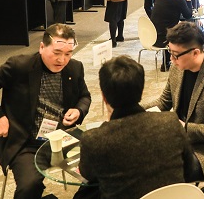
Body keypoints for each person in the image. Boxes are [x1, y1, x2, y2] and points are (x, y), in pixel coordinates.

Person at [0, 24, 91, 199]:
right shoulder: (19, 66)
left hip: (61, 137)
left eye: (68, 54)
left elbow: (85, 96)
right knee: (30, 185)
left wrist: (78, 110)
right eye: (57, 53)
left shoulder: (75, 67)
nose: (62, 60)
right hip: (25, 142)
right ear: (42, 47)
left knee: (101, 167)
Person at [75, 56, 195, 199]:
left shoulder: (94, 139)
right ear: (141, 91)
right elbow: (188, 168)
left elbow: (87, 174)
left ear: (103, 96)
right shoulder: (171, 122)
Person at [142, 22, 204, 186]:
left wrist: (185, 128)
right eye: (170, 53)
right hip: (183, 139)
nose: (171, 60)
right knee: (142, 155)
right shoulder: (178, 67)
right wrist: (133, 109)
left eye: (175, 55)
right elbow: (164, 102)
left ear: (195, 52)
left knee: (158, 171)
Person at [151, 0, 194, 72]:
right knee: (188, 32)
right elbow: (188, 15)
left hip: (153, 35)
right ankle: (186, 62)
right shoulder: (178, 1)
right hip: (167, 38)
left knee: (169, 26)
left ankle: (166, 62)